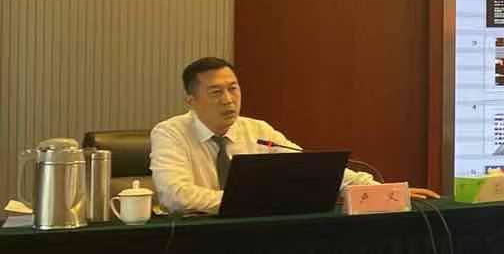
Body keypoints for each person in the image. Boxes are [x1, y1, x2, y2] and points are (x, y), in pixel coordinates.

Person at [150, 57, 439, 214]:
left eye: (233, 88)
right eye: (216, 92)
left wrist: (382, 191)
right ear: (191, 101)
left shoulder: (257, 130)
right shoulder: (170, 133)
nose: (228, 99)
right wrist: (244, 203)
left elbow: (313, 170)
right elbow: (176, 195)